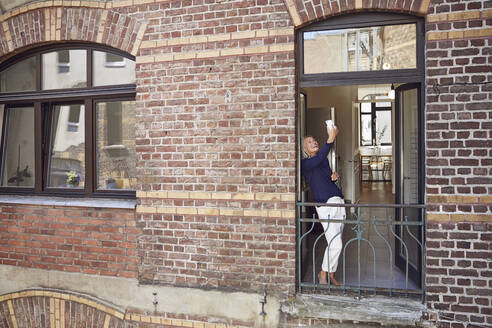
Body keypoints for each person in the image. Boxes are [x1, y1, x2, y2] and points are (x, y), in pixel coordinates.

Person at [301, 125, 345, 286]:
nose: (314, 142)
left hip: (338, 201)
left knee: (336, 242)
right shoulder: (305, 163)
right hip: (326, 206)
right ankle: (323, 273)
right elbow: (318, 159)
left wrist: (333, 177)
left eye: (314, 140)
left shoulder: (322, 160)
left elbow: (327, 176)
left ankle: (331, 274)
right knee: (335, 243)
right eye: (309, 142)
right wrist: (331, 138)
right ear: (304, 148)